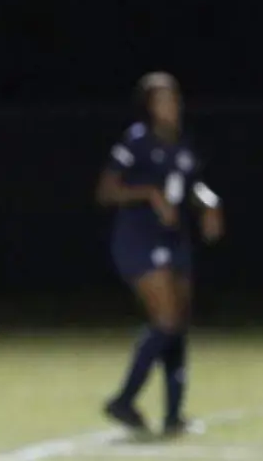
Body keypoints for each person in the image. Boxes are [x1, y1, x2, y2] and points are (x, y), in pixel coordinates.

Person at [95, 71, 224, 437]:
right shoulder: (136, 141)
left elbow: (190, 184)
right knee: (166, 320)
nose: (171, 105)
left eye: (174, 97)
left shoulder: (182, 143)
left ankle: (173, 416)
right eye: (162, 99)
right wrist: (150, 193)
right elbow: (107, 191)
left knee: (178, 324)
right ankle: (123, 400)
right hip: (138, 240)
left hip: (174, 240)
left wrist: (210, 204)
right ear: (149, 107)